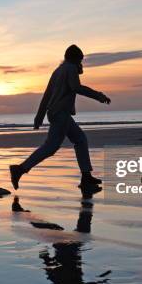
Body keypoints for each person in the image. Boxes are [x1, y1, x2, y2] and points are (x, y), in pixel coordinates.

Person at [9, 45, 111, 190]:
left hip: (58, 113)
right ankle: (19, 169)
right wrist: (99, 96)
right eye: (80, 60)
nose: (80, 64)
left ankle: (86, 176)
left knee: (80, 139)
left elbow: (47, 95)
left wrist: (39, 116)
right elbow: (76, 87)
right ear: (75, 59)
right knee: (51, 147)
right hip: (61, 114)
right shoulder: (70, 69)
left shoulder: (58, 70)